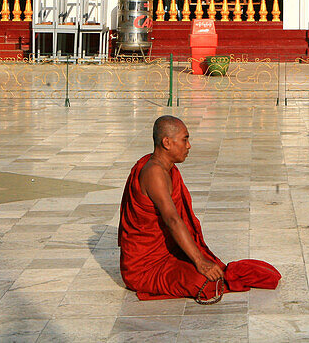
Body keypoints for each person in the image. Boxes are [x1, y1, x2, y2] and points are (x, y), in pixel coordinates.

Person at [119, 115, 281, 300]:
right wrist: (199, 261)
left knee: (216, 272)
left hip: (167, 253)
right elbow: (172, 220)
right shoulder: (154, 172)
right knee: (206, 283)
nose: (188, 146)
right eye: (185, 139)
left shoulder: (166, 168)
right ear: (167, 142)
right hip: (145, 266)